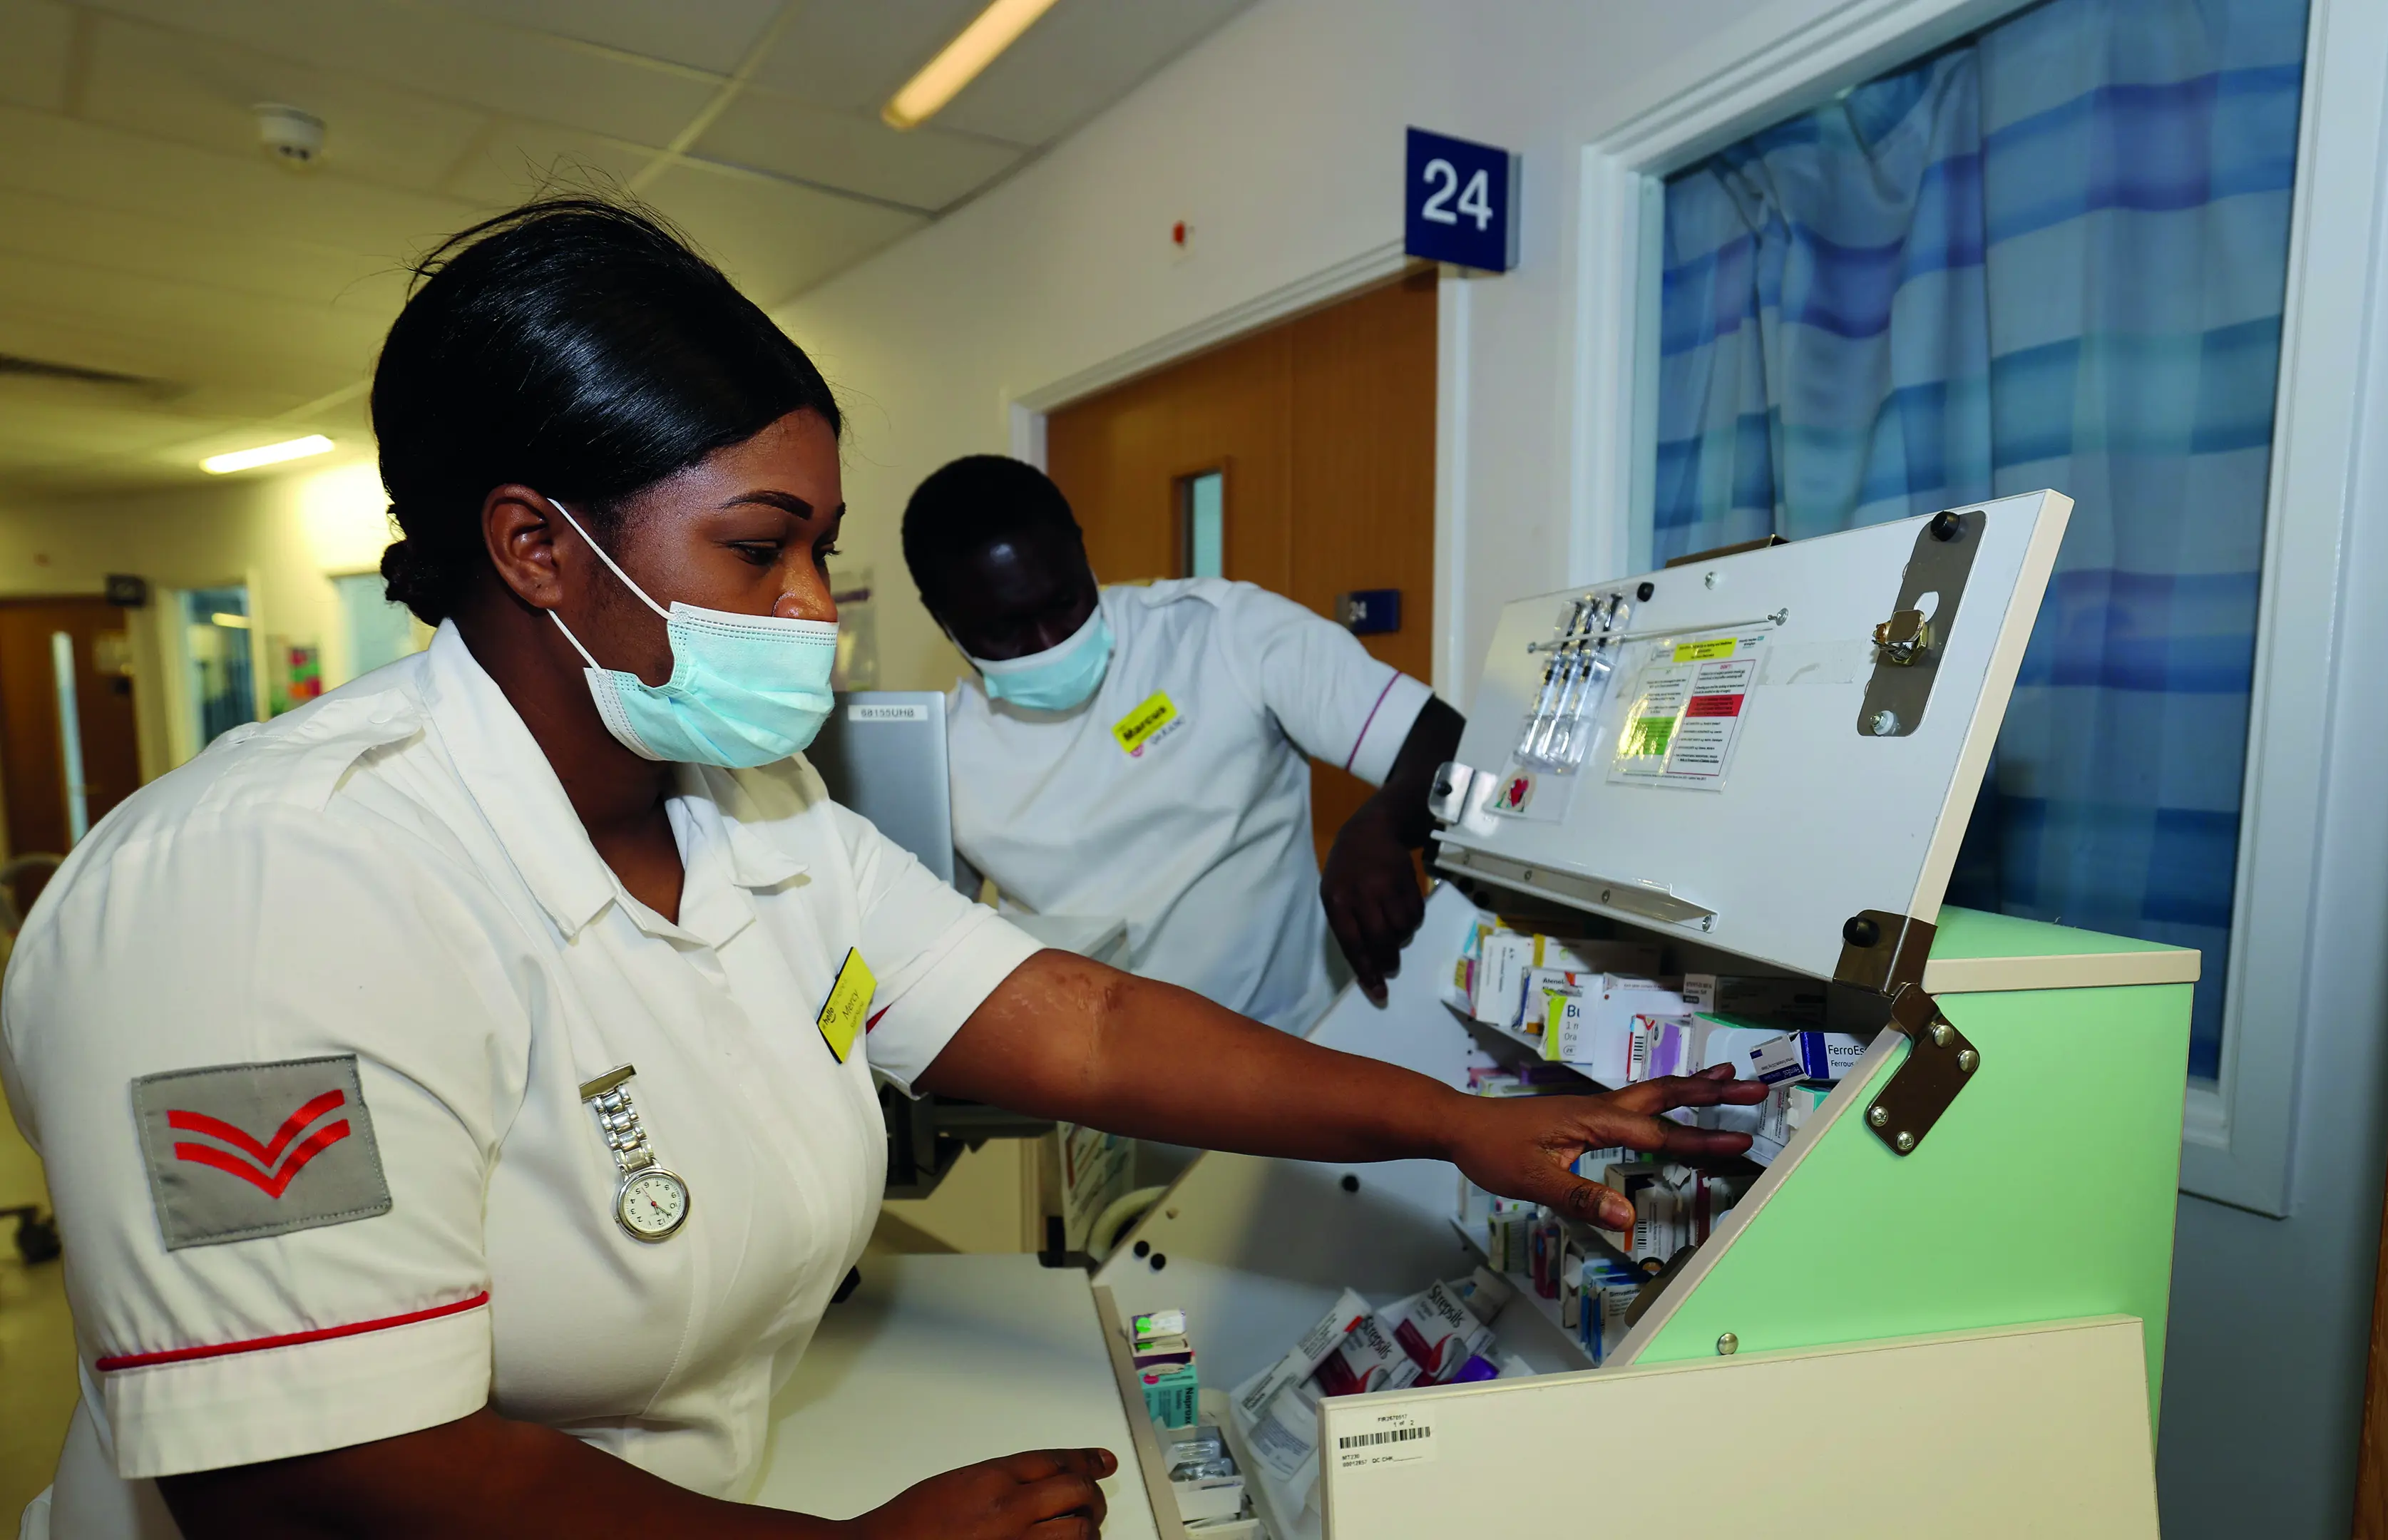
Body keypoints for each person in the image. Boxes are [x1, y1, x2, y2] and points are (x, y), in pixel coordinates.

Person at [0, 200, 1761, 1540]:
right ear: (535, 545)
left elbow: (1067, 1022)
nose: (808, 619)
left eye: (817, 556)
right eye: (758, 550)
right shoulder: (259, 890)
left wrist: (1450, 1116)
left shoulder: (748, 815)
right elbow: (316, 1467)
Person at [901, 456, 1454, 1029]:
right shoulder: (938, 753)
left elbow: (1442, 739)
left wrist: (1380, 825)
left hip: (1296, 1040)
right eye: (1005, 631)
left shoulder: (1220, 631)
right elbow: (925, 940)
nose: (1050, 644)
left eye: (1064, 604)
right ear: (943, 620)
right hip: (1095, 1088)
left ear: (1080, 551)